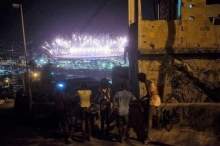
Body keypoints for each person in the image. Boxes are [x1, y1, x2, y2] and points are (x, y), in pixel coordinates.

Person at [137, 72, 161, 145]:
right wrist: (142, 98)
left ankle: (148, 137)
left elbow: (149, 95)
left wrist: (143, 100)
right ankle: (149, 133)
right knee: (151, 117)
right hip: (157, 98)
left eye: (139, 79)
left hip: (154, 99)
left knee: (149, 119)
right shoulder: (150, 81)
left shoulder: (146, 83)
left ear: (140, 79)